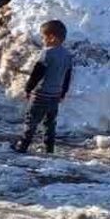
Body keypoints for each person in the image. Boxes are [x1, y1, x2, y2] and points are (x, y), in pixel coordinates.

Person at [12, 20, 73, 154]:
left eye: (43, 37)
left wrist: (28, 89)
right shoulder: (67, 55)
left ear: (52, 37)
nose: (42, 40)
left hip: (40, 95)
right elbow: (67, 76)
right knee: (50, 123)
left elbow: (37, 73)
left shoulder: (47, 53)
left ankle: (23, 145)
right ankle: (49, 148)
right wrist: (63, 93)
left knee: (31, 121)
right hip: (55, 96)